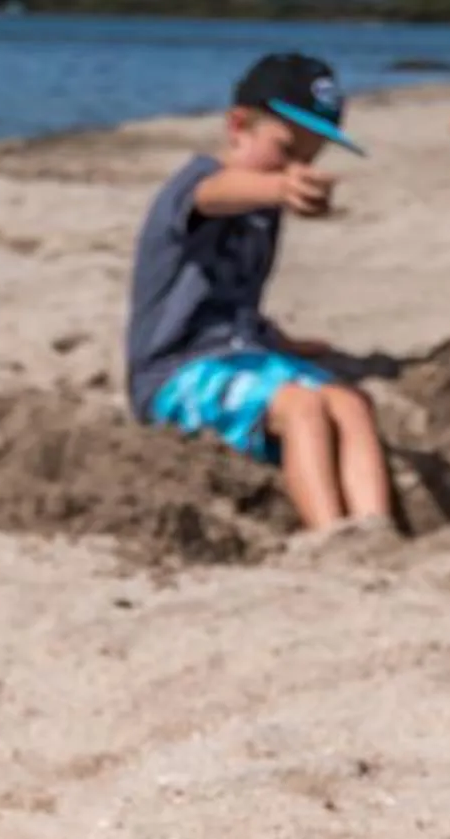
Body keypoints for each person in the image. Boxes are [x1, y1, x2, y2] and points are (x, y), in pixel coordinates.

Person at [125, 53, 394, 534]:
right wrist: (277, 187)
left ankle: (375, 527)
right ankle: (330, 533)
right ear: (238, 125)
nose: (298, 168)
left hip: (244, 352)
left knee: (350, 403)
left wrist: (279, 341)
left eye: (311, 158)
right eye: (286, 150)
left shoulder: (266, 209)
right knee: (302, 407)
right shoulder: (196, 186)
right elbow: (213, 195)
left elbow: (233, 300)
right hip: (176, 370)